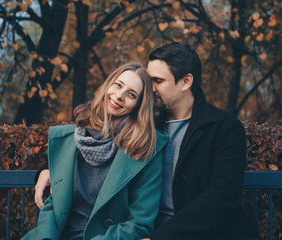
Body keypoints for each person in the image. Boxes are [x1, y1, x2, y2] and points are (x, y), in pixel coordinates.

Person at [34, 42, 261, 240]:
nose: (149, 89)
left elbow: (221, 199)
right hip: (141, 232)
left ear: (185, 82)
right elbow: (89, 148)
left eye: (158, 81)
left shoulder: (223, 127)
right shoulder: (142, 125)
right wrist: (48, 170)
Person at [23, 62, 168, 240]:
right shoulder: (71, 139)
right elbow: (53, 206)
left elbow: (139, 224)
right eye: (118, 85)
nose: (119, 96)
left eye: (131, 94)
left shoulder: (144, 150)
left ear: (139, 105)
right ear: (108, 85)